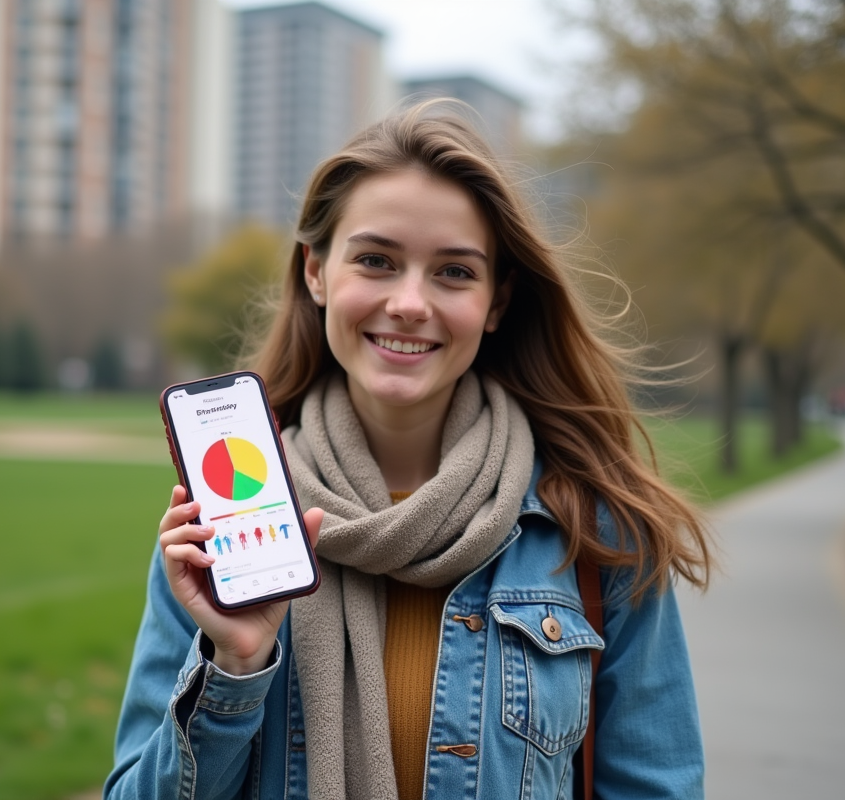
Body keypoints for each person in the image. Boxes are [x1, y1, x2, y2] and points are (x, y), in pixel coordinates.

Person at [106, 101, 712, 800]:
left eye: (454, 272)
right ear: (316, 272)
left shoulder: (595, 530)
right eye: (375, 260)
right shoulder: (218, 536)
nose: (410, 302)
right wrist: (236, 667)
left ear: (496, 302)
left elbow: (655, 785)